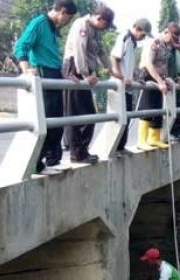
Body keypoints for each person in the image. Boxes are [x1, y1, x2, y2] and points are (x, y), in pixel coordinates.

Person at [14, 0, 78, 175]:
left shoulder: (52, 28)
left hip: (54, 73)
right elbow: (21, 45)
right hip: (43, 72)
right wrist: (27, 70)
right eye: (69, 18)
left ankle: (51, 160)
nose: (68, 22)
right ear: (62, 12)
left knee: (57, 121)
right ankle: (36, 162)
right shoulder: (40, 23)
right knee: (49, 121)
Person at [63, 5, 116, 164]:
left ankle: (82, 151)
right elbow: (79, 51)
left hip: (85, 71)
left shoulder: (96, 30)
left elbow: (101, 52)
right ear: (99, 19)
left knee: (89, 115)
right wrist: (85, 74)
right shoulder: (82, 25)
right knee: (77, 114)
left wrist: (111, 70)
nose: (106, 29)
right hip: (75, 69)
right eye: (105, 25)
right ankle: (77, 154)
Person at [136, 22, 180, 151]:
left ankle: (153, 138)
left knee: (157, 109)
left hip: (160, 79)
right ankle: (141, 140)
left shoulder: (167, 46)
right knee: (147, 108)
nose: (173, 42)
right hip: (149, 77)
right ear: (166, 32)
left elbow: (164, 66)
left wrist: (166, 80)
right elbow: (149, 64)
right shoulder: (154, 43)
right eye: (172, 39)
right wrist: (159, 81)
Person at [110, 18, 152, 154]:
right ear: (138, 29)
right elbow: (114, 57)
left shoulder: (133, 44)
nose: (143, 37)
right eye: (143, 34)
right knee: (119, 120)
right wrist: (119, 76)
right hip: (119, 87)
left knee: (126, 118)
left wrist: (135, 78)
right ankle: (115, 148)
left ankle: (121, 147)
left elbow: (129, 65)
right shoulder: (125, 37)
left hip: (127, 88)